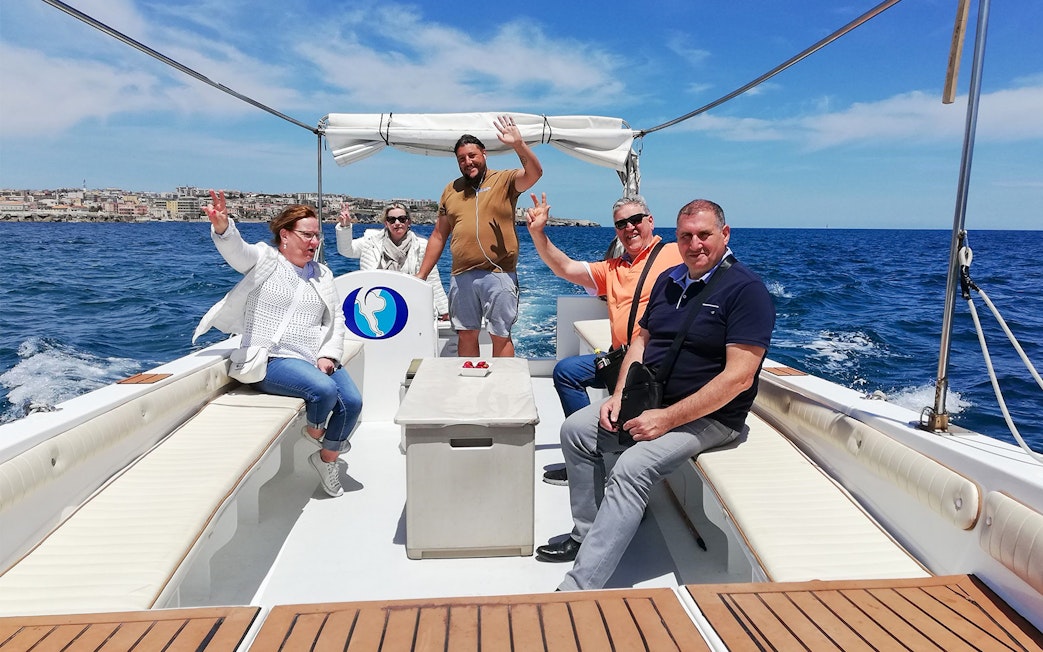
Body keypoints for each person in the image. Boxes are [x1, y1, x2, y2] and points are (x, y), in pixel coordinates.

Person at [535, 199, 775, 592]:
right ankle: (588, 535)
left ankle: (578, 590)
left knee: (631, 467)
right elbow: (641, 342)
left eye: (704, 235)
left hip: (712, 417)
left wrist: (667, 418)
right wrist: (619, 394)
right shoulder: (670, 280)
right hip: (655, 398)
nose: (694, 244)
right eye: (686, 236)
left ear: (725, 234)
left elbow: (738, 378)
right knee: (576, 431)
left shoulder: (746, 291)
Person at [194, 190, 362, 498]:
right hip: (270, 359)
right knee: (324, 390)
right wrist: (223, 227)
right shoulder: (265, 259)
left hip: (312, 358)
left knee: (352, 402)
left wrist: (328, 355)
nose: (314, 242)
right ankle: (317, 433)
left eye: (317, 236)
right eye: (307, 235)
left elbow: (336, 319)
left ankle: (326, 459)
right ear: (285, 235)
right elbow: (237, 252)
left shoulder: (323, 274)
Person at [525, 193, 682, 486]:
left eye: (635, 220)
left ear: (650, 221)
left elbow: (713, 261)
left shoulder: (675, 253)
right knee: (566, 371)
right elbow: (565, 268)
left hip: (653, 364)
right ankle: (587, 456)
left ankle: (615, 459)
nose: (629, 227)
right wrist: (538, 233)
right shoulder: (612, 268)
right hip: (620, 358)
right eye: (621, 224)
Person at [416, 115, 543, 357]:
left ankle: (504, 382)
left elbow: (535, 173)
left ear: (484, 154)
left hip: (499, 273)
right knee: (466, 333)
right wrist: (421, 275)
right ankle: (469, 379)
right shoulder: (450, 189)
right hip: (461, 275)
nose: (468, 162)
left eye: (472, 155)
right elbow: (439, 235)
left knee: (500, 335)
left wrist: (518, 144)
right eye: (461, 159)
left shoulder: (504, 180)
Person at [335, 202, 449, 320]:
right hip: (377, 304)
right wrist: (345, 227)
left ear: (409, 222)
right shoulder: (371, 242)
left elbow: (432, 278)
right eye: (392, 220)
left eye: (402, 219)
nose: (397, 223)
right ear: (386, 223)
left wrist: (444, 310)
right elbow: (346, 250)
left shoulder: (421, 245)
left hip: (411, 305)